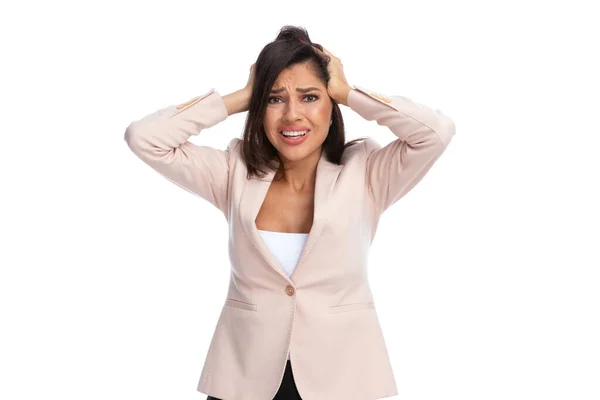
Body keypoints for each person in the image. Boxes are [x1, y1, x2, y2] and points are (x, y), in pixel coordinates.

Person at [124, 25, 455, 400]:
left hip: (344, 380)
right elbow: (144, 138)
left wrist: (348, 92)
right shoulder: (233, 172)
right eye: (275, 100)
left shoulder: (366, 173)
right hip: (243, 381)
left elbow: (437, 132)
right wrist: (243, 95)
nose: (292, 115)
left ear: (331, 107)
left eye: (310, 97)